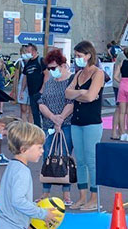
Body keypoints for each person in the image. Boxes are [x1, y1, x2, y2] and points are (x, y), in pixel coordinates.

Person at [66, 40, 105, 211]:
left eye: (79, 55)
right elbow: (67, 93)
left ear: (89, 55)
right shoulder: (78, 74)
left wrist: (80, 95)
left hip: (92, 122)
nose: (77, 59)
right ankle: (82, 196)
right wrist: (81, 92)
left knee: (91, 160)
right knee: (80, 161)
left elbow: (91, 97)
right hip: (77, 121)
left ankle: (94, 198)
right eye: (75, 56)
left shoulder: (98, 73)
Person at [38, 49, 74, 204]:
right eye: (49, 68)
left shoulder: (71, 81)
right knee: (47, 156)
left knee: (65, 157)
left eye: (54, 68)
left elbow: (71, 103)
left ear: (63, 65)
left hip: (66, 124)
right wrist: (53, 117)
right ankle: (45, 192)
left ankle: (66, 194)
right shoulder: (49, 82)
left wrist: (60, 119)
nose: (51, 71)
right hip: (49, 124)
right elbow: (41, 102)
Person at [16, 43, 44, 125]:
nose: (27, 54)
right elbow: (25, 77)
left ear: (34, 51)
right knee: (35, 113)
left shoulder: (40, 61)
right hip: (31, 92)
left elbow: (47, 75)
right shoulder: (28, 63)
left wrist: (42, 90)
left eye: (28, 51)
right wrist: (22, 91)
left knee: (42, 112)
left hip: (40, 92)